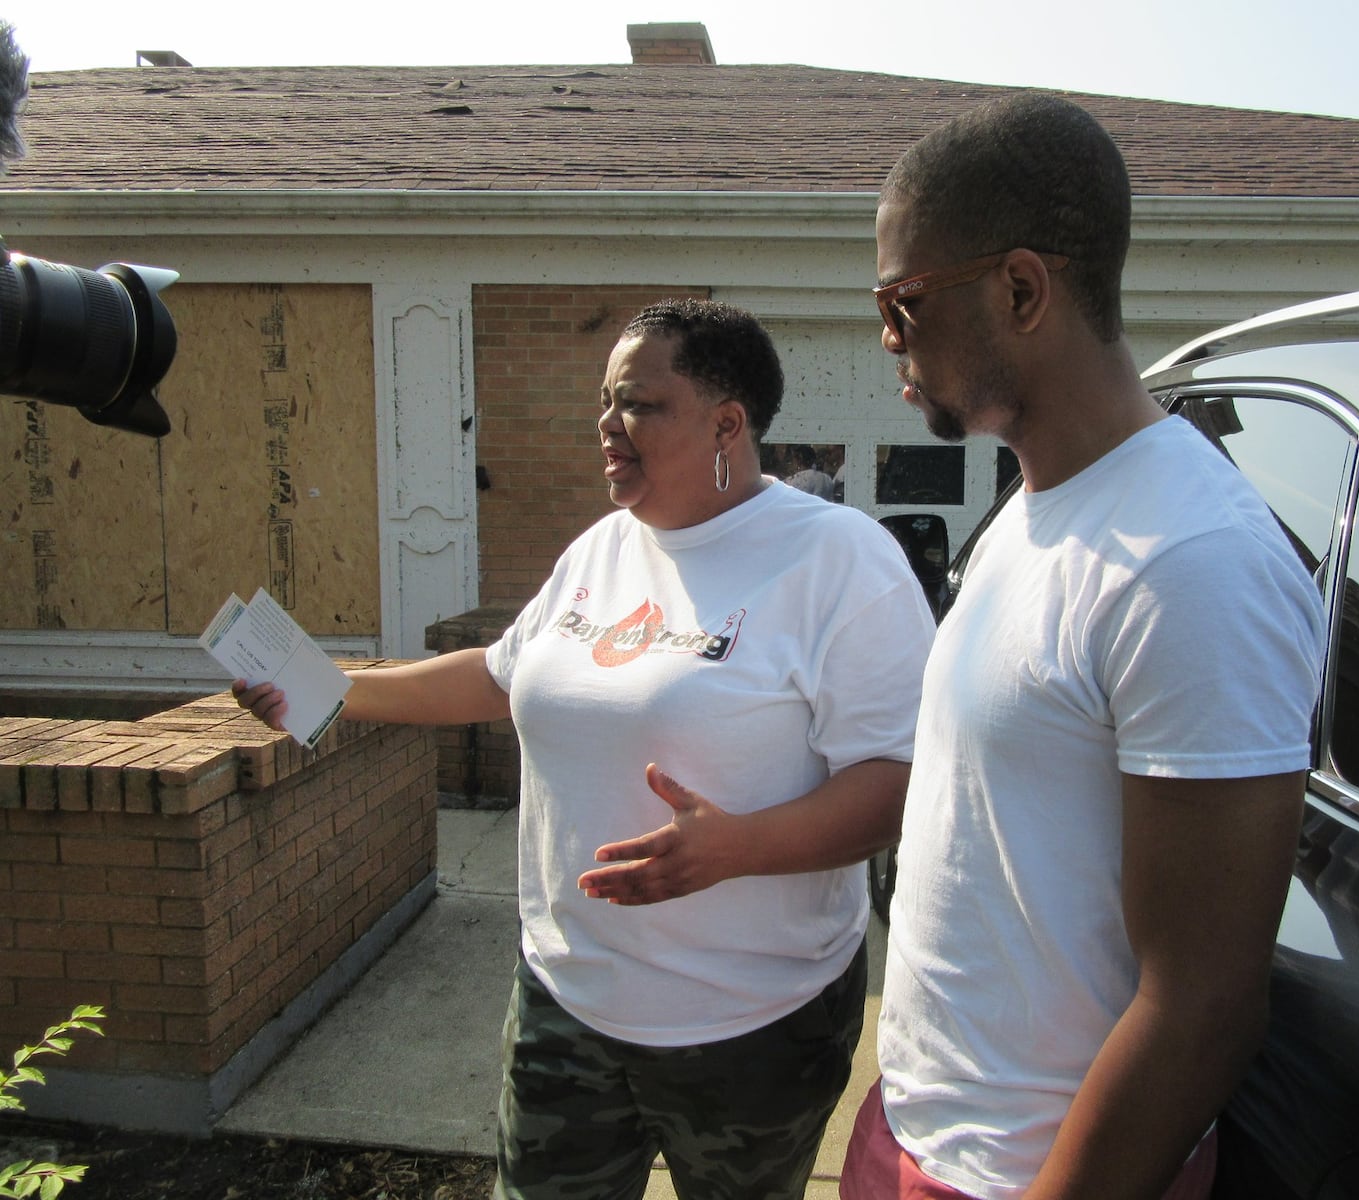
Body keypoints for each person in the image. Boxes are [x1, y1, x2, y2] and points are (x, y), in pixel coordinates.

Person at [236, 298, 934, 1200]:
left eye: (639, 403)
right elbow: (498, 676)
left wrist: (737, 849)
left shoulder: (839, 560)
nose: (607, 423)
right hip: (566, 1005)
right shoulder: (602, 546)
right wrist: (332, 690)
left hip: (750, 1028)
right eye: (606, 400)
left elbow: (899, 782)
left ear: (728, 423)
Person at [840, 94, 1326, 1200]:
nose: (885, 337)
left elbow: (1201, 1009)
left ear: (1021, 289)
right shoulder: (1034, 505)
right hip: (917, 1126)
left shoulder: (1190, 563)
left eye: (902, 300)